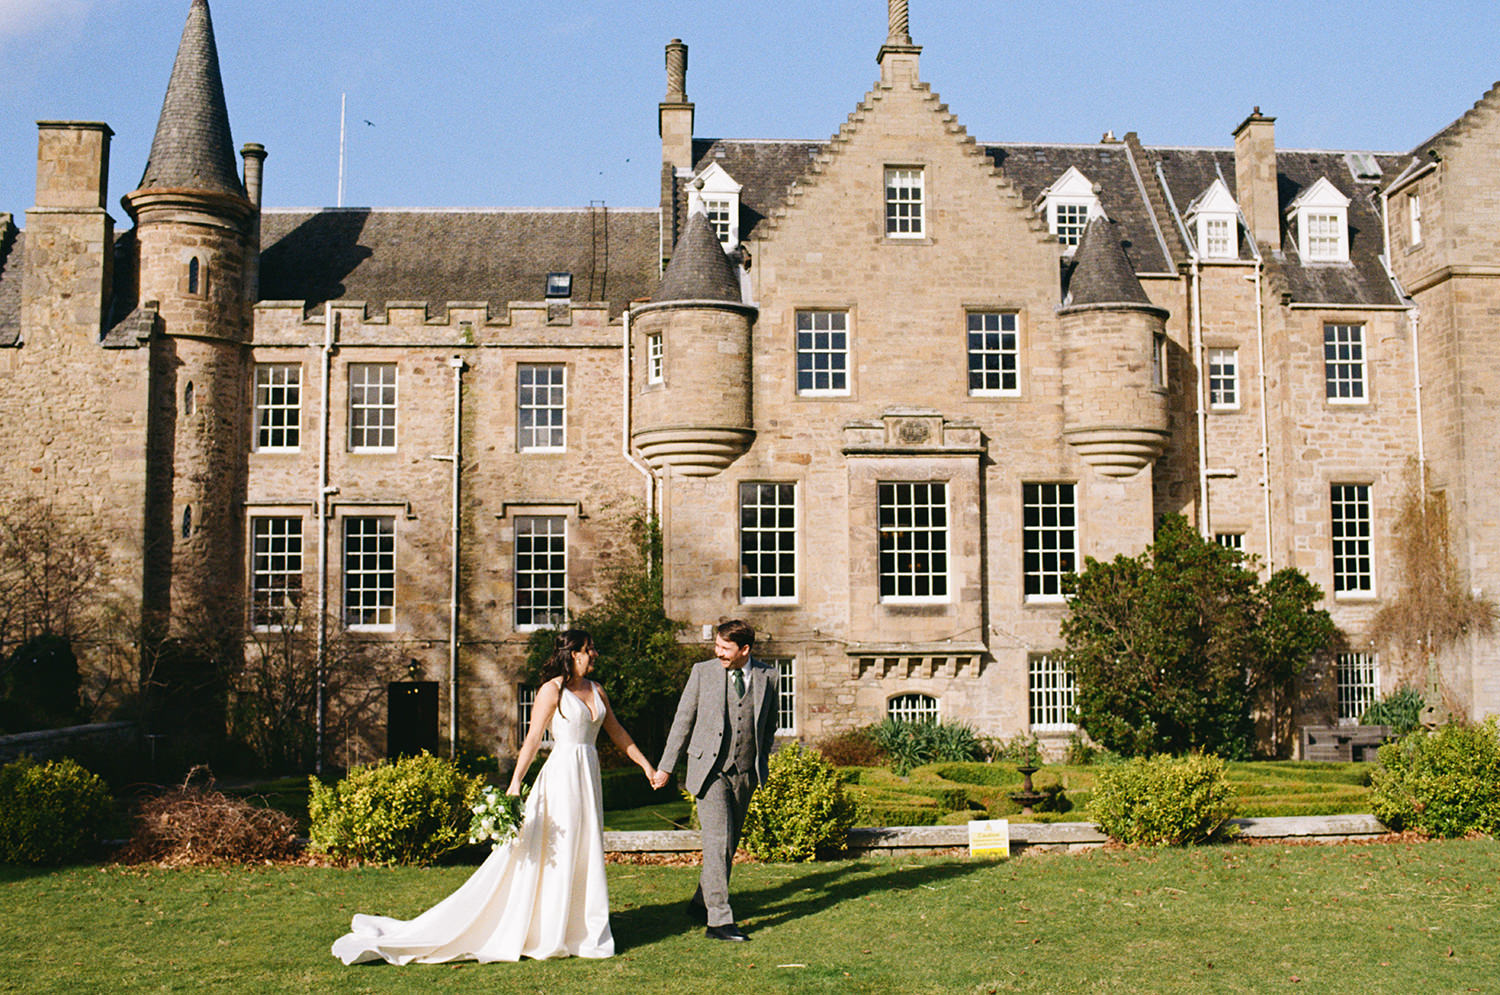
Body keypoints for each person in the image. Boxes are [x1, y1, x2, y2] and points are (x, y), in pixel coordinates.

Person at [332, 629, 659, 965]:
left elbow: (617, 731)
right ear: (573, 653)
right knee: (557, 850)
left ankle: (582, 930)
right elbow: (532, 739)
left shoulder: (597, 690)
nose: (595, 655)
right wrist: (516, 781)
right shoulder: (551, 690)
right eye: (590, 650)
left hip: (588, 776)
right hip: (561, 778)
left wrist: (646, 767)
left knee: (585, 848)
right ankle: (550, 930)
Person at [652, 619, 778, 942]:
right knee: (718, 841)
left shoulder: (768, 676)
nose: (717, 652)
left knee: (728, 845)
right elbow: (683, 720)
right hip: (709, 772)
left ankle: (700, 901)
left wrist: (758, 763)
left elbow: (768, 727)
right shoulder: (702, 672)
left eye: (725, 648)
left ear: (744, 650)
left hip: (745, 773)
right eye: (717, 646)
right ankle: (719, 920)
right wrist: (665, 767)